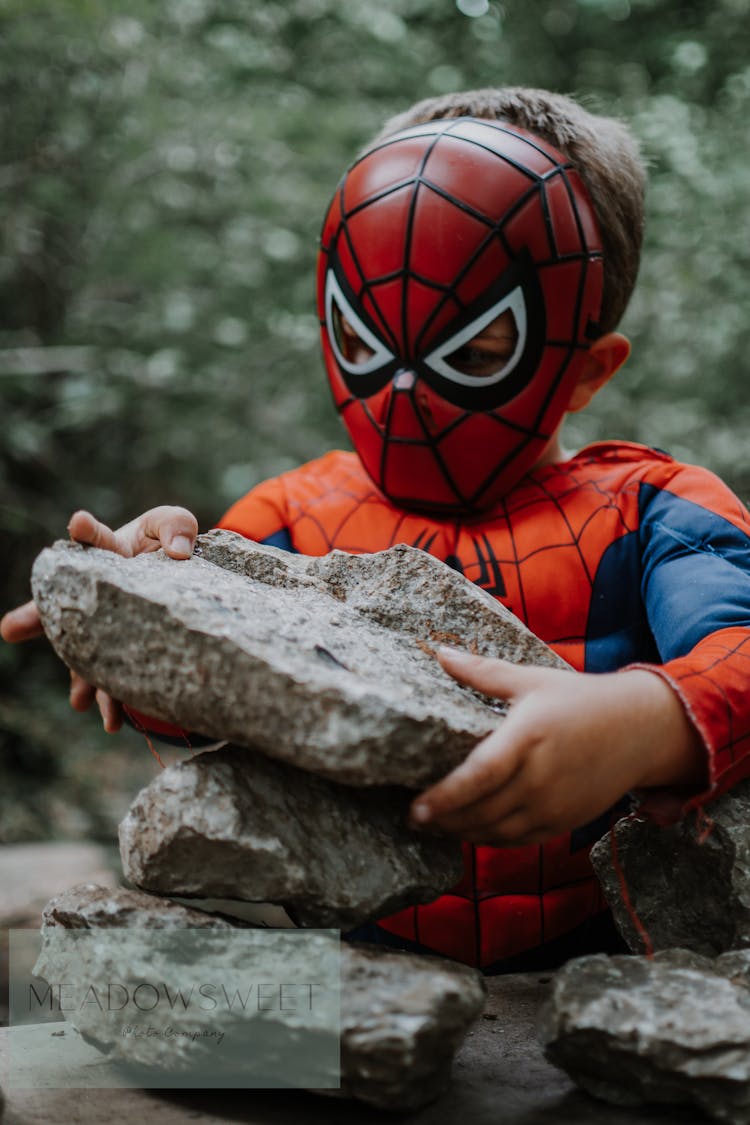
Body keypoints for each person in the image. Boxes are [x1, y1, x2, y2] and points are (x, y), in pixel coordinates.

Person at [4, 87, 750, 973]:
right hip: (356, 968)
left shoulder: (656, 504)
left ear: (589, 370)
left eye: (475, 352)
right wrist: (140, 609)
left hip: (610, 973)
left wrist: (640, 722)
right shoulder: (291, 513)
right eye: (367, 343)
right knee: (95, 1010)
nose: (403, 389)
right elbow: (216, 712)